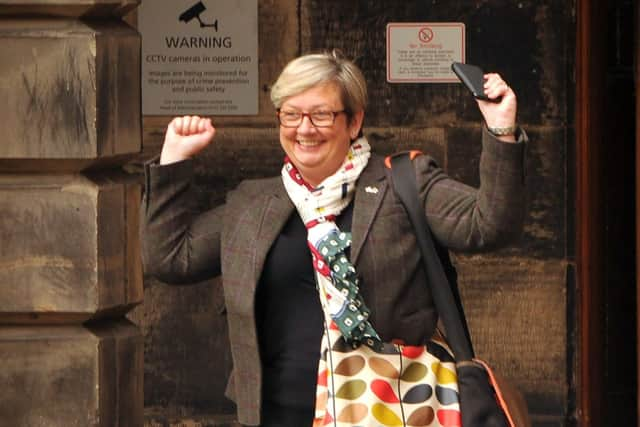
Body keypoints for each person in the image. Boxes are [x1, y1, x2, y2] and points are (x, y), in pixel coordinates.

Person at [141, 50, 527, 427]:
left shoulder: (404, 183)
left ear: (354, 121)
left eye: (321, 114)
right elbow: (172, 258)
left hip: (390, 409)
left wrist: (501, 129)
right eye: (290, 114)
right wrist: (174, 161)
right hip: (279, 412)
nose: (304, 129)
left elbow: (488, 225)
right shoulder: (253, 203)